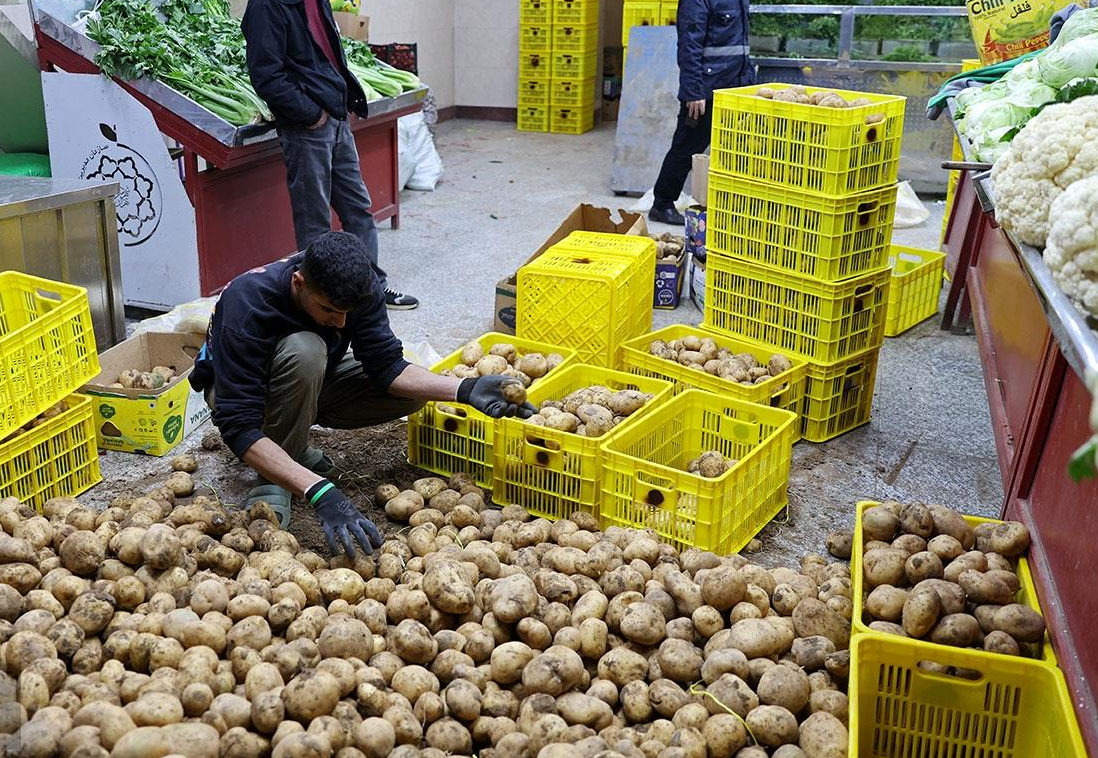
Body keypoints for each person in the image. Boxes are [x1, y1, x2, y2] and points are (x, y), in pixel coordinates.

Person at [190, 232, 533, 557]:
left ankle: (290, 449)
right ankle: (274, 477)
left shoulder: (359, 287)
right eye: (329, 310)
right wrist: (319, 492)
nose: (340, 323)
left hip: (308, 379)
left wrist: (464, 389)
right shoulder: (249, 301)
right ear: (299, 284)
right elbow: (238, 425)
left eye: (347, 314)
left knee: (415, 394)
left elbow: (386, 366)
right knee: (305, 350)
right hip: (238, 393)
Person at [241, 0, 418, 310]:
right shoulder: (267, 6)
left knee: (358, 208)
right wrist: (309, 113)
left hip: (335, 119)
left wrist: (339, 103)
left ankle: (370, 292)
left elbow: (327, 55)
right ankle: (321, 304)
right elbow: (266, 74)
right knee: (315, 223)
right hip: (306, 127)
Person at [649, 0, 755, 227]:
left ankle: (729, 206)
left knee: (734, 148)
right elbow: (689, 45)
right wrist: (694, 91)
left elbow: (740, 45)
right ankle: (662, 204)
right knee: (687, 146)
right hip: (705, 90)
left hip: (736, 87)